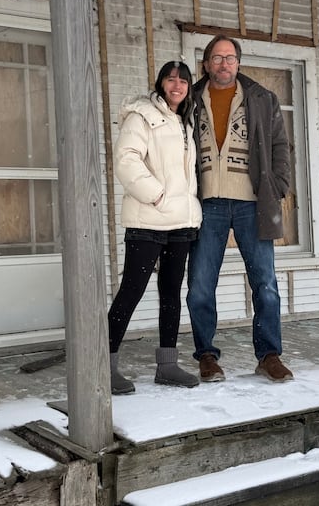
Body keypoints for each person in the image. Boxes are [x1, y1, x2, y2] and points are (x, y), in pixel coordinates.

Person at [186, 35, 293, 383]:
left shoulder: (262, 98)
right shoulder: (190, 99)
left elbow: (280, 144)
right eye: (217, 58)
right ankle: (206, 356)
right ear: (206, 64)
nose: (224, 64)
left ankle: (269, 355)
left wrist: (278, 185)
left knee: (265, 283)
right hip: (207, 203)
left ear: (238, 63)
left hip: (253, 203)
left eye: (230, 58)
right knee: (200, 284)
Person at [108, 61, 203, 395]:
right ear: (161, 83)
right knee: (131, 291)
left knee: (171, 293)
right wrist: (156, 195)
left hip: (180, 223)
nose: (177, 86)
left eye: (183, 81)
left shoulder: (185, 121)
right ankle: (103, 365)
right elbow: (126, 159)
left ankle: (167, 365)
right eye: (171, 79)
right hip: (147, 220)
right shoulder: (142, 116)